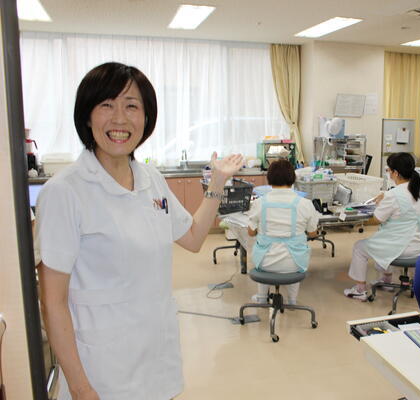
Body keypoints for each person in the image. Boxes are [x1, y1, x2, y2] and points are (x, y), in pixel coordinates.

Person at [35, 62, 243, 400]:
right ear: (87, 117)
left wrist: (218, 181)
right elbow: (52, 302)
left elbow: (191, 238)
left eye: (132, 106)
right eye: (106, 105)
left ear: (146, 118)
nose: (120, 119)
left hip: (156, 355)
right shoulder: (65, 192)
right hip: (100, 369)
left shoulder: (152, 180)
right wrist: (81, 387)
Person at [344, 152, 420, 301]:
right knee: (380, 240)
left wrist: (357, 222)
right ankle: (386, 282)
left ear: (395, 173)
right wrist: (385, 195)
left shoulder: (394, 195)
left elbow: (377, 219)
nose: (388, 173)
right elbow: (403, 200)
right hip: (418, 244)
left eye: (389, 170)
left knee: (360, 247)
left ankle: (360, 290)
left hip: (401, 247)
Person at [247, 159, 319, 304]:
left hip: (265, 261)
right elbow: (313, 234)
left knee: (261, 250)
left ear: (269, 179)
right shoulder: (305, 204)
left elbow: (251, 233)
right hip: (294, 263)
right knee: (297, 254)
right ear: (293, 178)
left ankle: (262, 298)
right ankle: (292, 300)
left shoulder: (259, 203)